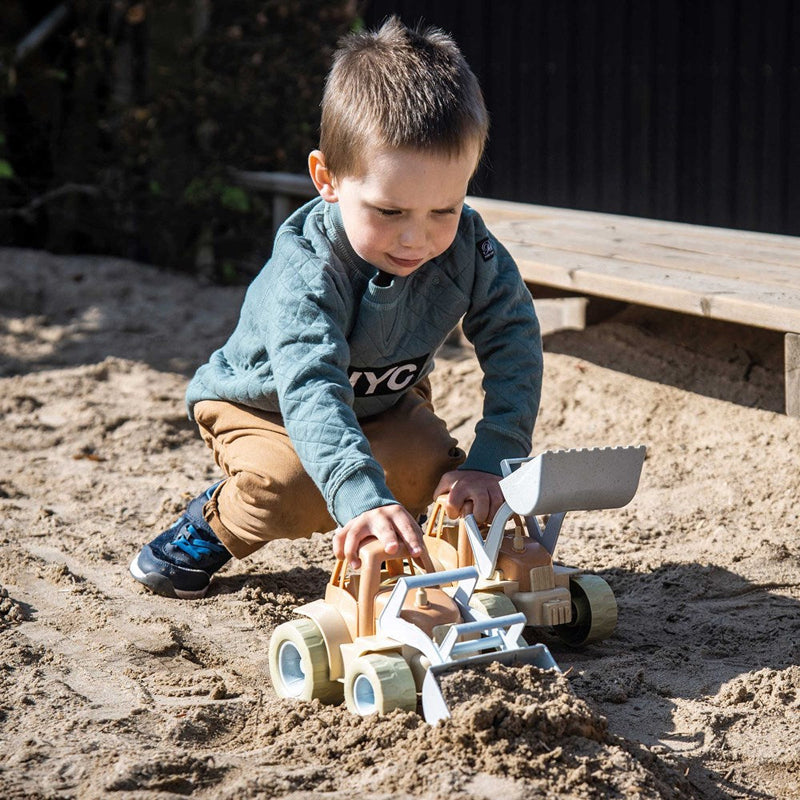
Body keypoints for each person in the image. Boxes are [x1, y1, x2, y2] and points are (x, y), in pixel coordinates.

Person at [129, 16, 543, 599]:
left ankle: (418, 534)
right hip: (266, 407)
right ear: (327, 178)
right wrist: (361, 499)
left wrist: (494, 457)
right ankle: (212, 525)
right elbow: (312, 388)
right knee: (289, 488)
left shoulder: (470, 248)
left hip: (383, 400)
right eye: (390, 211)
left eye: (444, 210)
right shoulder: (306, 271)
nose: (417, 239)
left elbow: (514, 338)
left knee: (439, 477)